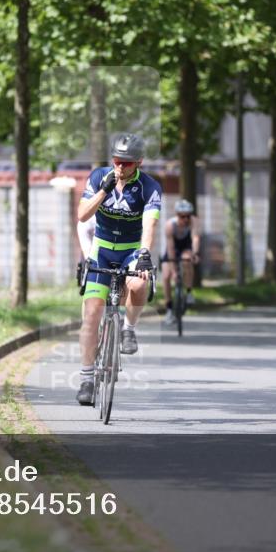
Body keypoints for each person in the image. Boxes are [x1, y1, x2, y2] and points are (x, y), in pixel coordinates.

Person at [75, 133, 161, 406]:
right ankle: (87, 378)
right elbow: (82, 215)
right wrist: (104, 190)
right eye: (117, 162)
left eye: (127, 164)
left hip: (131, 249)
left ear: (139, 163)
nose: (121, 168)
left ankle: (128, 328)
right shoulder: (98, 177)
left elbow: (150, 225)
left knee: (138, 283)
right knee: (90, 315)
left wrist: (145, 253)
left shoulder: (150, 187)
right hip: (101, 249)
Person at [161, 199, 201, 325]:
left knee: (186, 260)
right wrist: (173, 271)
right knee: (166, 276)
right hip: (173, 248)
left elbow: (195, 238)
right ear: (177, 215)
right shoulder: (169, 225)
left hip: (186, 247)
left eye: (188, 216)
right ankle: (169, 309)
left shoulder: (193, 222)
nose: (185, 219)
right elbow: (171, 248)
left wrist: (195, 253)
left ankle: (189, 292)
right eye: (182, 216)